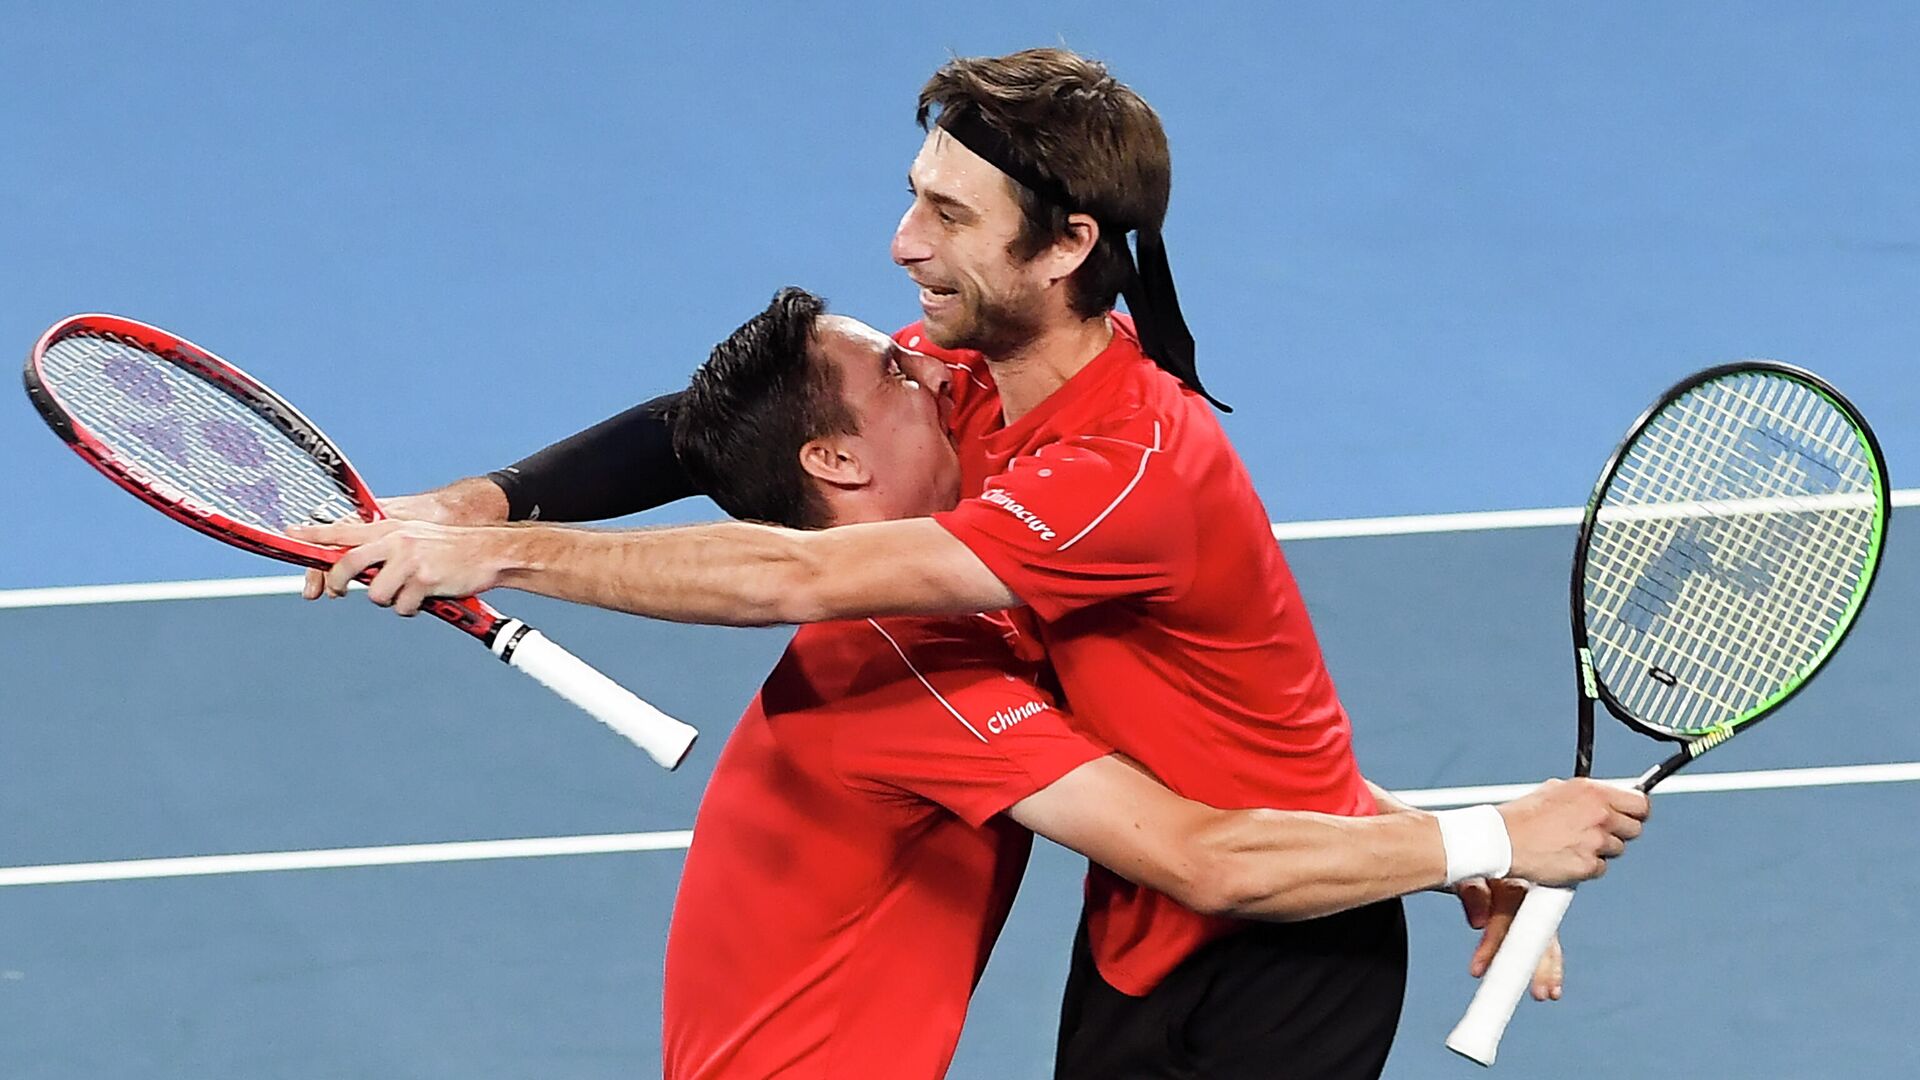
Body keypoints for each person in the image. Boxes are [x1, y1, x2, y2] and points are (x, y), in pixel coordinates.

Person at [293, 49, 1651, 1079]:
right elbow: (695, 430)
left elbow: (799, 577)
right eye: (913, 201)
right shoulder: (964, 385)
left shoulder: (1106, 473)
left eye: (947, 216)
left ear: (1064, 246)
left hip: (1264, 933)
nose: (903, 252)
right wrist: (480, 496)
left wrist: (1457, 838)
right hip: (1156, 916)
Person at [651, 289, 1641, 1078]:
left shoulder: (955, 609)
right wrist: (1496, 836)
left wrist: (1405, 833)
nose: (940, 375)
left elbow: (1181, 763)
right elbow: (1202, 857)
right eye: (901, 374)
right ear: (832, 458)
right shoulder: (907, 663)